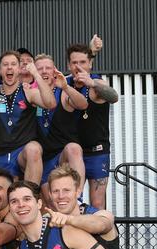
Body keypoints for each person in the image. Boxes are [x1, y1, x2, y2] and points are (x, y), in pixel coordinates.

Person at [0, 50, 56, 184]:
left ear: (19, 69)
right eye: (5, 64)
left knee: (34, 148)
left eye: (13, 64)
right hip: (0, 154)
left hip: (22, 153)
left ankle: (31, 194)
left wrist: (36, 75)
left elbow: (50, 103)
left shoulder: (28, 92)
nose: (9, 67)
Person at [66, 43, 119, 209]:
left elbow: (114, 96)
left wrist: (93, 84)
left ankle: (102, 235)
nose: (78, 66)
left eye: (83, 62)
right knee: (72, 201)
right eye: (74, 63)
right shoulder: (65, 83)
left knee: (97, 203)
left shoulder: (97, 82)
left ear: (90, 64)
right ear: (69, 65)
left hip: (97, 151)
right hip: (73, 153)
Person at [32, 54, 88, 205]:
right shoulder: (29, 93)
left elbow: (83, 105)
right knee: (52, 206)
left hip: (61, 157)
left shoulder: (62, 92)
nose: (44, 71)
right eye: (40, 68)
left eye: (48, 68)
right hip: (41, 161)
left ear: (54, 71)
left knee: (74, 148)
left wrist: (65, 86)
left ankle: (79, 197)